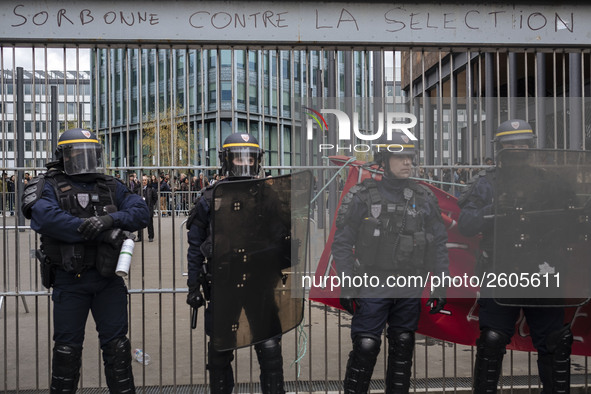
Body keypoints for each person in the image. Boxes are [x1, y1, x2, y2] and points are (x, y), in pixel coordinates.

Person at [21, 128, 150, 393]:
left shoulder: (111, 185)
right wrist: (100, 232)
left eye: (90, 154)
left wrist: (109, 220)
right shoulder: (49, 185)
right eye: (77, 154)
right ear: (62, 156)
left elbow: (141, 211)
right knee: (67, 351)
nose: (84, 160)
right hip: (70, 280)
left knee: (118, 348)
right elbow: (47, 219)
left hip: (108, 280)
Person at [457, 119, 573, 393]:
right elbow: (466, 224)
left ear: (531, 147)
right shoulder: (486, 184)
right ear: (499, 149)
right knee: (493, 340)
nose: (518, 150)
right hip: (501, 271)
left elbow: (572, 221)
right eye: (511, 145)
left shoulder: (551, 182)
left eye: (523, 144)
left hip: (542, 272)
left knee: (555, 343)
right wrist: (494, 210)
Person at [331, 133, 449, 393]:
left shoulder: (424, 197)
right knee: (366, 345)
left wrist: (440, 285)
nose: (407, 162)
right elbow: (341, 244)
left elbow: (439, 244)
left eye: (410, 157)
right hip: (372, 282)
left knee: (403, 343)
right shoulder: (362, 196)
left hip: (410, 284)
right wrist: (347, 283)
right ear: (384, 159)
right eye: (400, 157)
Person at [186, 133, 286, 394]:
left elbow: (285, 236)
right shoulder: (210, 197)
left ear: (257, 160)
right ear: (226, 160)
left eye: (250, 157)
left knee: (270, 347)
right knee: (220, 349)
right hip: (224, 283)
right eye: (239, 157)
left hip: (260, 284)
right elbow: (195, 246)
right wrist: (192, 286)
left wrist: (279, 265)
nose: (244, 162)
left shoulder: (269, 195)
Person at [139, 174, 158, 242]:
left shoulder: (151, 189)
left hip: (148, 208)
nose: (144, 181)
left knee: (150, 223)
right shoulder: (139, 189)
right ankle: (140, 237)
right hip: (140, 209)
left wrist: (151, 204)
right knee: (139, 223)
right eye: (143, 180)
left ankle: (151, 236)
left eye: (145, 180)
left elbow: (155, 198)